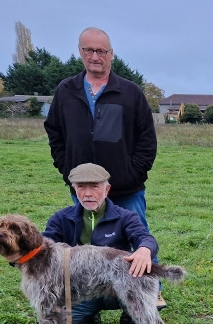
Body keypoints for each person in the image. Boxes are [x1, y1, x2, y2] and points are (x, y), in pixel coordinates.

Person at [43, 26, 164, 306]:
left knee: (139, 239)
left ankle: (149, 295)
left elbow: (147, 138)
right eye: (89, 50)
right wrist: (67, 169)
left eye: (101, 51)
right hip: (83, 186)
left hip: (126, 188)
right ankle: (87, 299)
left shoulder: (130, 92)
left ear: (111, 54)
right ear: (80, 52)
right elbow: (54, 132)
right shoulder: (66, 91)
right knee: (84, 243)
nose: (95, 56)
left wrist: (133, 173)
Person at [41, 163, 158, 324]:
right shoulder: (61, 218)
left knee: (136, 292)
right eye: (81, 187)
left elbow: (144, 237)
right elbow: (43, 247)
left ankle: (131, 319)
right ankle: (86, 315)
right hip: (80, 290)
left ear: (107, 189)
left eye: (95, 187)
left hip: (117, 286)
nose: (88, 194)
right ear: (74, 189)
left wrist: (145, 249)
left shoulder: (125, 216)